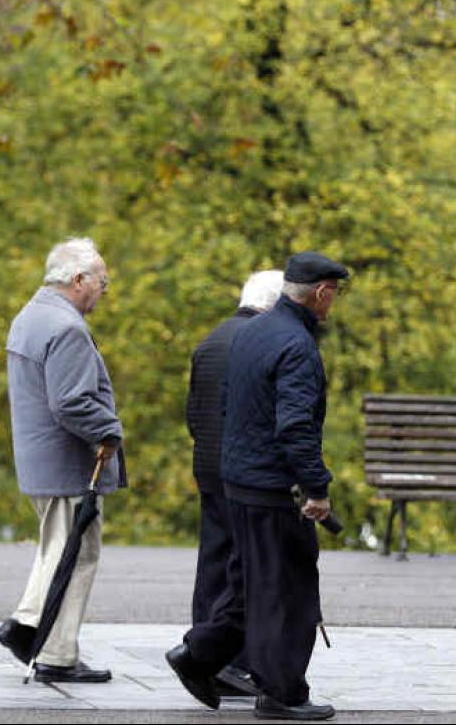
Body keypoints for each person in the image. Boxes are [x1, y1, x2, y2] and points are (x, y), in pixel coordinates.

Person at [166, 251, 348, 722]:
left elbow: (227, 409)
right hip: (273, 489)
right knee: (287, 591)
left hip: (239, 483)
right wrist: (317, 489)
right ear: (322, 292)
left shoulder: (252, 334)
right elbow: (295, 428)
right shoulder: (298, 346)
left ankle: (198, 655)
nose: (334, 303)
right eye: (336, 293)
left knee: (250, 586)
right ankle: (282, 693)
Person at [0, 238, 125, 683]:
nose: (104, 290)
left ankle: (29, 626)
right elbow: (71, 402)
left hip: (41, 461)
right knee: (76, 554)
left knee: (58, 549)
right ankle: (54, 650)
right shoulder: (66, 327)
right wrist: (109, 430)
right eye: (102, 281)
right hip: (67, 464)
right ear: (78, 280)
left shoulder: (30, 316)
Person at [186, 270, 284, 698]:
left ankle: (202, 653)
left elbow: (194, 411)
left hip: (207, 465)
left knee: (213, 563)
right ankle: (231, 662)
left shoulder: (210, 340)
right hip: (243, 474)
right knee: (246, 569)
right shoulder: (258, 343)